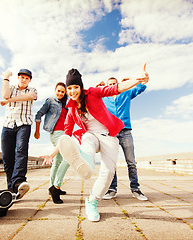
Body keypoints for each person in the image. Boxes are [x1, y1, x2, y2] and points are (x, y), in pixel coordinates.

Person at [40, 65, 149, 221]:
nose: (72, 91)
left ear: (80, 87)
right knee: (88, 141)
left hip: (109, 135)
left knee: (109, 172)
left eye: (75, 87)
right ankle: (86, 163)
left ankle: (92, 201)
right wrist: (52, 154)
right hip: (90, 135)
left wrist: (137, 79)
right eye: (69, 88)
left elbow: (116, 88)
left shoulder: (94, 93)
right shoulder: (71, 111)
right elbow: (66, 135)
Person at [102, 73, 149, 201]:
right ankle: (112, 189)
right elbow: (90, 99)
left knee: (131, 162)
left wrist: (133, 81)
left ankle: (135, 189)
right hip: (111, 133)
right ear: (107, 86)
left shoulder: (126, 93)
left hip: (126, 132)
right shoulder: (104, 98)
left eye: (114, 84)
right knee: (111, 163)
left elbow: (141, 87)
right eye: (110, 84)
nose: (112, 86)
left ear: (118, 85)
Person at [0, 68, 37, 200]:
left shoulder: (32, 90)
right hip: (8, 125)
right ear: (18, 78)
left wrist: (9, 101)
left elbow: (30, 97)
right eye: (22, 77)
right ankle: (11, 188)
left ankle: (19, 180)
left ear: (30, 80)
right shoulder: (11, 88)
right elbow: (5, 95)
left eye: (27, 78)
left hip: (24, 124)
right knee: (7, 157)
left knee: (21, 150)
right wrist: (6, 77)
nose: (24, 80)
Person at [34, 82, 70, 204]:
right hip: (55, 133)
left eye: (62, 91)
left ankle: (52, 187)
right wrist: (37, 130)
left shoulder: (67, 104)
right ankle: (56, 186)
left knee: (58, 161)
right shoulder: (50, 101)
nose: (60, 93)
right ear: (55, 90)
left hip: (64, 134)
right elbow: (39, 114)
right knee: (68, 158)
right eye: (58, 91)